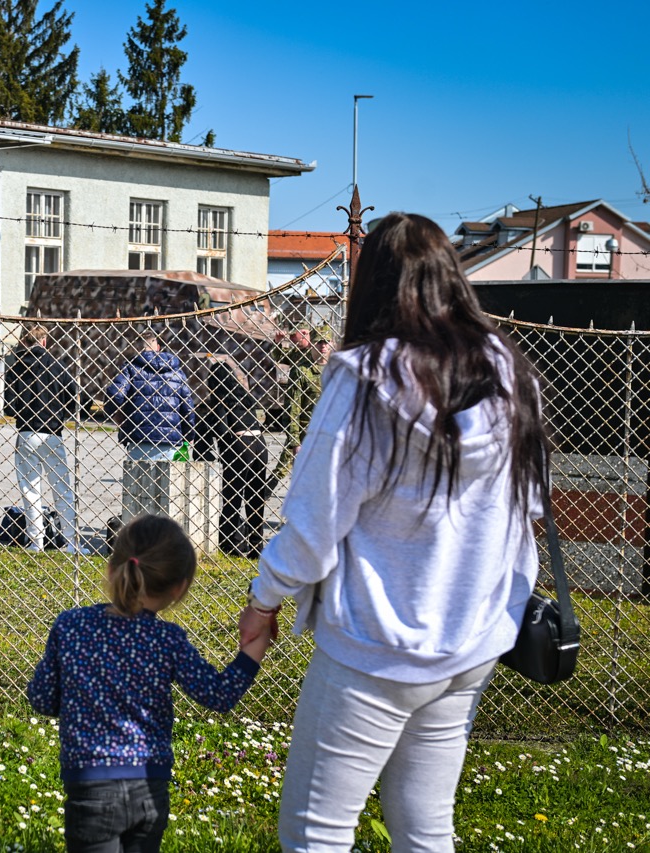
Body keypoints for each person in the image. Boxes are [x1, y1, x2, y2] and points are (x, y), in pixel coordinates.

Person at [239, 212, 549, 852]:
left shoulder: (365, 381)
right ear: (452, 278)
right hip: (474, 637)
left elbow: (314, 524)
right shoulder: (511, 372)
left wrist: (264, 599)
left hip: (374, 648)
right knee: (425, 827)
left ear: (370, 283)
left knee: (315, 832)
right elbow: (532, 509)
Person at [28, 514, 273, 853]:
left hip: (90, 786)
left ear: (112, 569)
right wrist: (254, 648)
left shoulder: (71, 625)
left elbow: (42, 698)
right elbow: (218, 695)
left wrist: (76, 699)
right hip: (149, 786)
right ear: (179, 588)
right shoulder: (166, 639)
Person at [4, 324, 90, 555]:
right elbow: (77, 400)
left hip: (26, 432)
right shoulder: (57, 366)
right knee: (62, 489)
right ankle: (72, 542)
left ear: (24, 341)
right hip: (52, 432)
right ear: (44, 342)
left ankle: (36, 542)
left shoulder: (16, 367)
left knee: (30, 490)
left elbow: (9, 407)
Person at [195, 355, 271, 558]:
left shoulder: (219, 400)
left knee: (233, 497)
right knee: (255, 498)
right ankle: (256, 546)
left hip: (241, 447)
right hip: (260, 445)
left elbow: (219, 429)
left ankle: (230, 545)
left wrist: (205, 449)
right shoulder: (244, 396)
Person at [103, 331, 195, 461]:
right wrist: (188, 435)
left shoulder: (131, 368)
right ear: (158, 347)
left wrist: (120, 419)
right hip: (170, 440)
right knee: (167, 480)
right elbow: (187, 407)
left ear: (137, 349)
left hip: (139, 438)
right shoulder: (176, 372)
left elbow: (114, 394)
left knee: (138, 479)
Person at [275, 327, 321, 477]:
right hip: (300, 422)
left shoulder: (318, 355)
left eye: (299, 334)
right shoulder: (299, 355)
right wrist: (279, 342)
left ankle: (263, 493)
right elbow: (282, 357)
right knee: (287, 463)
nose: (294, 338)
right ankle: (262, 494)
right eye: (293, 335)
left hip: (312, 422)